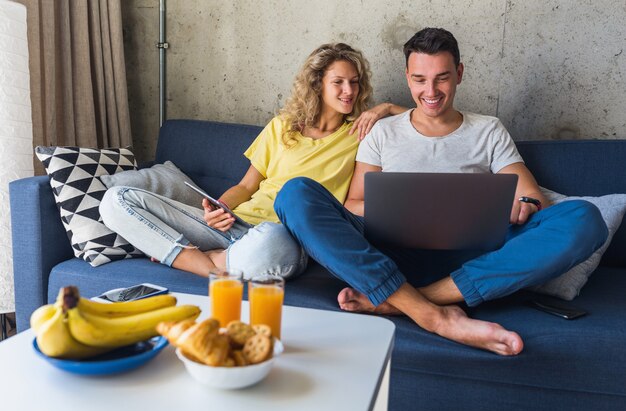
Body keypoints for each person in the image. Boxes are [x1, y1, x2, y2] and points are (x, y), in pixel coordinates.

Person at [274, 28, 608, 355]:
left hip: (475, 255)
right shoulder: (382, 132)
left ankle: (414, 300)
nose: (430, 90)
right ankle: (433, 317)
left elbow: (536, 200)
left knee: (585, 218)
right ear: (407, 77)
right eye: (420, 79)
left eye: (442, 78)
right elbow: (354, 204)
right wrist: (410, 210)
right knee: (294, 194)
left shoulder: (488, 129)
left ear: (459, 73)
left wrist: (523, 205)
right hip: (391, 252)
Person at [100, 43, 401, 280]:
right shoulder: (283, 126)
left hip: (283, 238)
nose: (349, 91)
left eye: (355, 82)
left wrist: (385, 108)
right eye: (339, 82)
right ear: (318, 84)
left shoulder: (362, 133)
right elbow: (246, 186)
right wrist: (220, 208)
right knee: (116, 199)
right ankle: (211, 265)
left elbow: (423, 121)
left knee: (273, 239)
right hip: (234, 226)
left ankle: (188, 257)